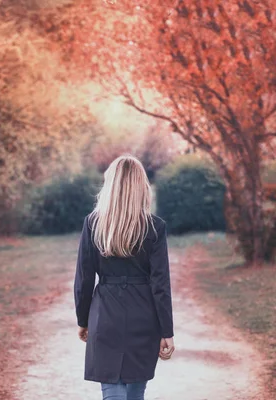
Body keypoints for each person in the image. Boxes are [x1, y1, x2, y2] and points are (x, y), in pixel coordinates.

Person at [74, 154, 175, 400]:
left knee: (112, 392)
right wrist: (167, 331)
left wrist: (83, 319)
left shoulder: (93, 224)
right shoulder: (154, 227)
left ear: (111, 186)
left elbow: (84, 280)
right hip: (144, 318)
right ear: (141, 187)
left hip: (105, 316)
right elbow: (160, 284)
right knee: (135, 394)